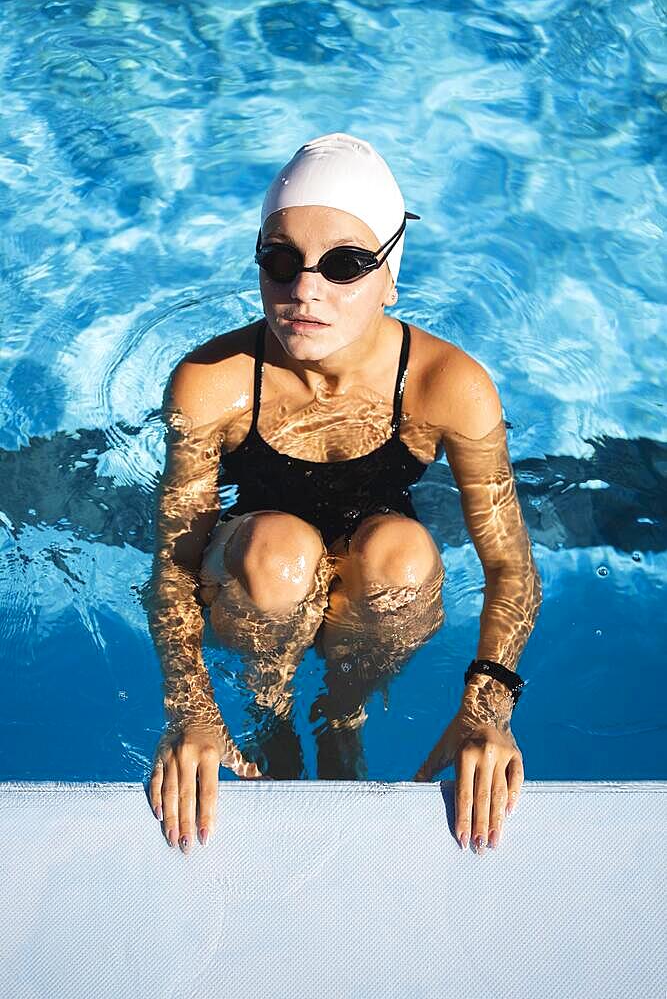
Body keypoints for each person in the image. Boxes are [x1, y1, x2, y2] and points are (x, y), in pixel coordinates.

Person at [147, 133, 543, 857]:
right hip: (253, 575)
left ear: (390, 274)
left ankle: (341, 714)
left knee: (402, 556)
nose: (305, 290)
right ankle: (271, 712)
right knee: (277, 554)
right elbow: (175, 560)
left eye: (344, 265)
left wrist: (487, 710)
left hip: (376, 579)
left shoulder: (446, 385)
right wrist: (191, 709)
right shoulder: (211, 380)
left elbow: (510, 567)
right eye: (280, 260)